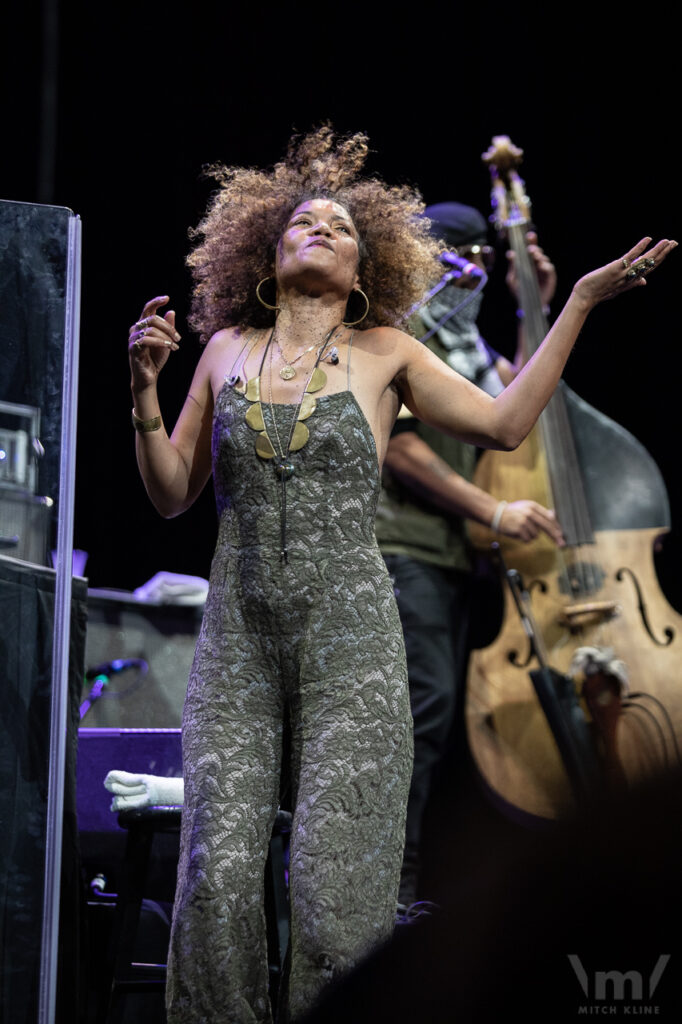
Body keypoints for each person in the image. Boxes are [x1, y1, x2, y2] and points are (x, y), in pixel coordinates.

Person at [126, 126, 675, 1024]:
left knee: (334, 882)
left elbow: (501, 426)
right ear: (266, 251)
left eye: (340, 227)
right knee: (217, 871)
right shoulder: (224, 347)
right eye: (303, 220)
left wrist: (572, 303)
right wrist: (146, 392)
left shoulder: (389, 351)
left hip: (353, 642)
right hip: (239, 645)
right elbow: (171, 495)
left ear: (365, 267)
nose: (320, 228)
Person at [374, 201, 564, 913]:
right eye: (460, 253)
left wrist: (535, 308)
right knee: (422, 711)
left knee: (437, 719)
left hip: (454, 558)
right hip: (403, 547)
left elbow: (516, 405)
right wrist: (493, 510)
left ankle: (405, 886)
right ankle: (386, 889)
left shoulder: (464, 341)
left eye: (483, 256)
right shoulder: (406, 330)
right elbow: (398, 445)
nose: (474, 267)